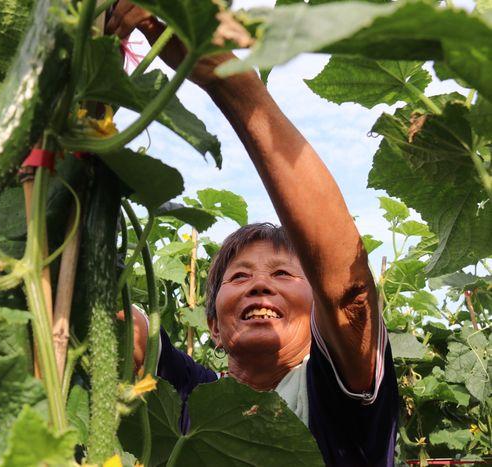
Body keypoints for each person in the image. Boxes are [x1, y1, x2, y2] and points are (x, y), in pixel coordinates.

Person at [107, 2, 399, 466]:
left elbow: (349, 294)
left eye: (283, 273)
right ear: (213, 326)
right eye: (239, 277)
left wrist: (228, 79)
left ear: (317, 313)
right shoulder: (194, 400)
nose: (260, 283)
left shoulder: (334, 396)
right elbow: (120, 323)